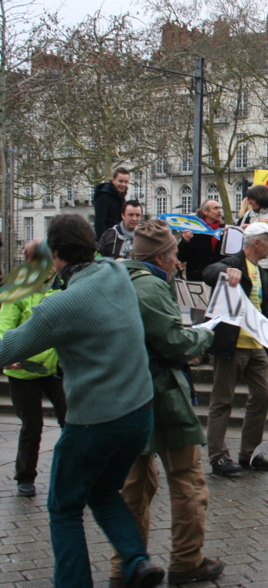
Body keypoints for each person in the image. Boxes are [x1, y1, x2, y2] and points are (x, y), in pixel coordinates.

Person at [5, 214, 164, 587]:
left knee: (64, 508)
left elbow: (8, 348)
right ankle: (138, 560)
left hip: (93, 422)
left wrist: (32, 263)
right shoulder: (115, 272)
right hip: (140, 415)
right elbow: (75, 250)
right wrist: (45, 249)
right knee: (104, 491)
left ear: (55, 255)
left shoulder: (59, 307)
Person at [105, 220, 224, 586]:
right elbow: (174, 343)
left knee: (134, 485)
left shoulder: (117, 279)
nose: (178, 260)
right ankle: (187, 562)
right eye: (174, 253)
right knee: (187, 480)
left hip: (125, 393)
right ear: (161, 256)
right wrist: (204, 336)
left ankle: (127, 565)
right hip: (161, 395)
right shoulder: (150, 289)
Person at [202, 222, 268, 477]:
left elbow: (264, 311)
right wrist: (225, 271)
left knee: (262, 395)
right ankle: (218, 458)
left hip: (256, 346)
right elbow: (209, 271)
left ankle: (250, 454)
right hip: (232, 345)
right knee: (222, 402)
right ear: (257, 243)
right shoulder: (234, 263)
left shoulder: (263, 272)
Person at [0, 270, 66, 498]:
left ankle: (74, 473)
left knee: (70, 420)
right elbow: (4, 326)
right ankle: (25, 476)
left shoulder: (62, 287)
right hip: (23, 369)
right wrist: (9, 353)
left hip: (54, 367)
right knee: (32, 425)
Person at [237, 184, 268, 281]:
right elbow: (241, 235)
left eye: (252, 199)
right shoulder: (248, 214)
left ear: (260, 198)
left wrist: (252, 228)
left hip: (267, 264)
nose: (249, 202)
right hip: (247, 262)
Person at [178, 199, 224, 281]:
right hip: (198, 278)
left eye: (219, 208)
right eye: (215, 208)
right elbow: (182, 257)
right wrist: (185, 241)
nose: (219, 211)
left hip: (218, 276)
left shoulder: (224, 230)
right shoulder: (193, 230)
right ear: (205, 212)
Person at [94, 167, 130, 239]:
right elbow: (99, 222)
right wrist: (104, 242)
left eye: (126, 182)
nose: (123, 184)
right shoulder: (104, 196)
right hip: (108, 238)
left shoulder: (120, 196)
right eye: (120, 181)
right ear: (113, 181)